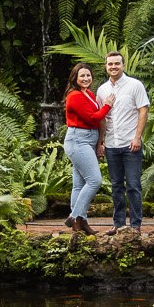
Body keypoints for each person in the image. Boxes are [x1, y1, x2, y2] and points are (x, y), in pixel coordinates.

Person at [96, 50, 150, 231]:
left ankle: (135, 226)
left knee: (133, 185)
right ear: (106, 66)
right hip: (111, 144)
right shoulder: (102, 90)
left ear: (123, 65)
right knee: (116, 186)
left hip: (130, 144)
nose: (113, 67)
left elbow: (143, 110)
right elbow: (102, 118)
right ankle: (118, 225)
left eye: (117, 63)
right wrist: (101, 142)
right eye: (110, 64)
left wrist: (137, 137)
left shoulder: (135, 85)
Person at [60, 62, 109, 236]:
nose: (86, 78)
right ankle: (74, 216)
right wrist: (108, 105)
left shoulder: (88, 94)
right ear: (75, 78)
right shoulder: (74, 96)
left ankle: (81, 223)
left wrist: (99, 142)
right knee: (95, 180)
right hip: (78, 140)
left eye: (88, 75)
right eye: (82, 76)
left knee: (79, 185)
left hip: (88, 140)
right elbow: (92, 118)